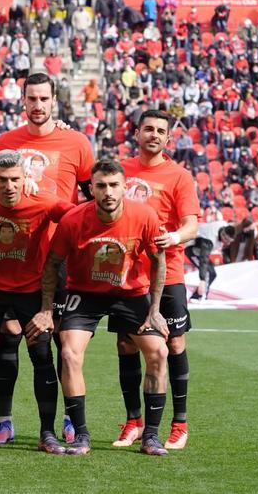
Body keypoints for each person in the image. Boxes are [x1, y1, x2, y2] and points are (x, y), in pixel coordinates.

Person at [27, 159, 170, 456]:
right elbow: (52, 263)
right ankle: (81, 435)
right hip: (85, 294)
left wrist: (154, 309)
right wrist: (45, 309)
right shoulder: (73, 220)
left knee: (159, 352)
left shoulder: (144, 216)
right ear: (91, 188)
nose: (108, 192)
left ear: (124, 187)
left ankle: (152, 436)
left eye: (114, 185)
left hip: (131, 293)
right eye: (101, 186)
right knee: (68, 353)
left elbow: (159, 262)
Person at [0, 72, 95, 445]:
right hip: (15, 254)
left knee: (60, 339)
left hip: (59, 255)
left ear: (54, 102)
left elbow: (89, 199)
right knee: (9, 334)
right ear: (23, 101)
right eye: (31, 99)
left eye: (43, 99)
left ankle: (67, 418)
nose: (37, 106)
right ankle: (4, 420)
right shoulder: (6, 142)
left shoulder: (76, 142)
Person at [0, 150, 74, 455]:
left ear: (26, 179)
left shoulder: (44, 201)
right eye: (3, 180)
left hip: (30, 292)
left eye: (15, 180)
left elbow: (78, 218)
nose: (9, 186)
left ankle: (46, 433)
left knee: (42, 357)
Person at [117, 110, 199, 450]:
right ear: (136, 134)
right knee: (125, 343)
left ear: (168, 139)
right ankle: (133, 420)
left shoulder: (179, 176)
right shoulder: (120, 170)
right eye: (147, 128)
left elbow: (191, 224)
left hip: (168, 274)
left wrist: (176, 237)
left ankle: (179, 424)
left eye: (160, 131)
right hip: (127, 275)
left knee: (175, 343)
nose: (153, 134)